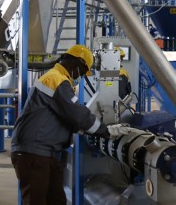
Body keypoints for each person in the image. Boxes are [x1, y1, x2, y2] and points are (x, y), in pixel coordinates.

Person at [11, 44, 109, 205]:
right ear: (77, 63)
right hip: (33, 153)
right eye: (83, 72)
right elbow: (76, 113)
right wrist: (105, 131)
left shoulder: (57, 79)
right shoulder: (56, 79)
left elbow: (67, 117)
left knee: (57, 199)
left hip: (45, 152)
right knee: (36, 201)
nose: (82, 77)